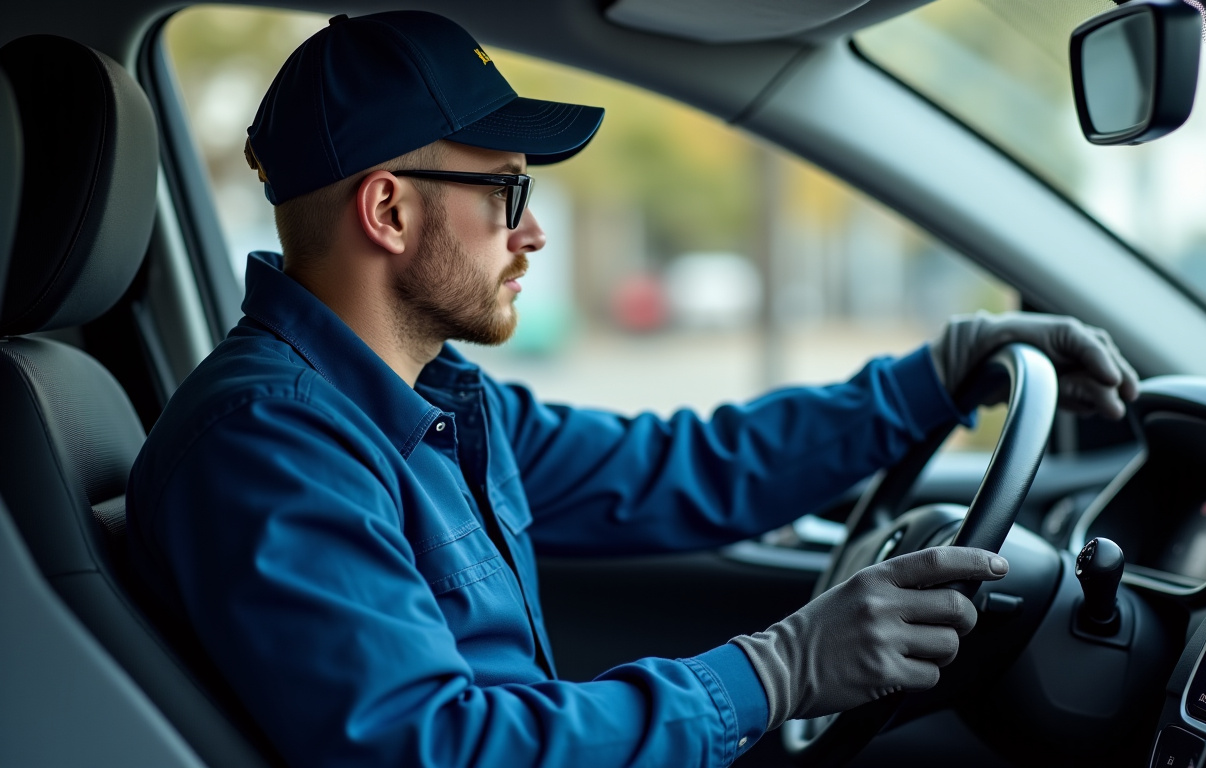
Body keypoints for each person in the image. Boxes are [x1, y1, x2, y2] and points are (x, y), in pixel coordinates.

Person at [126, 10, 1139, 768]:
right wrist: (776, 671)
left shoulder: (441, 406)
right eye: (507, 193)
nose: (532, 234)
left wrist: (935, 377)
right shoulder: (269, 444)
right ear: (388, 210)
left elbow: (683, 467)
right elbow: (433, 749)